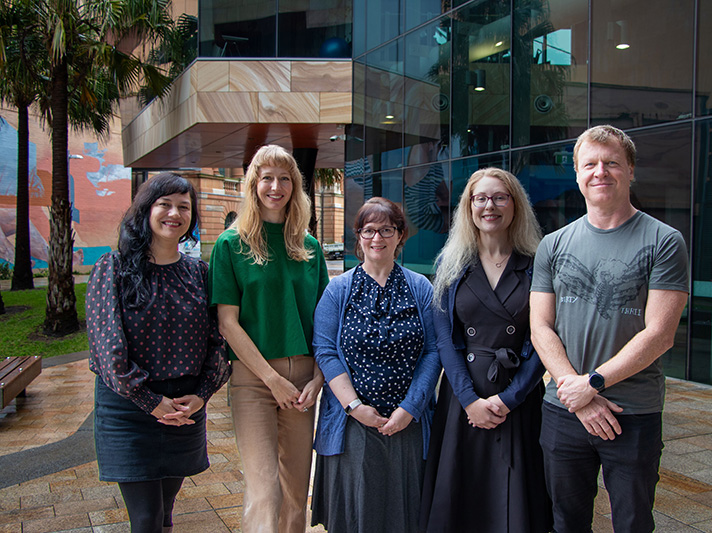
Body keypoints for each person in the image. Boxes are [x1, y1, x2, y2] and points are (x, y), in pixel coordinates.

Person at [530, 125, 690, 532]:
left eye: (612, 163)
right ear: (577, 174)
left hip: (631, 412)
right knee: (565, 522)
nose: (600, 172)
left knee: (633, 522)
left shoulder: (664, 241)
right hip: (564, 410)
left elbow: (660, 334)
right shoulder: (553, 244)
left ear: (630, 171)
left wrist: (593, 383)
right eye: (590, 165)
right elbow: (540, 327)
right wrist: (577, 392)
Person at [86, 172, 230, 533]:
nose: (174, 213)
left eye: (184, 206)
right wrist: (148, 400)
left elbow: (217, 342)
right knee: (146, 517)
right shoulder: (114, 268)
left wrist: (201, 395)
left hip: (184, 409)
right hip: (130, 410)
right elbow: (107, 347)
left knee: (165, 511)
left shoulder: (199, 273)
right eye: (165, 204)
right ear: (146, 210)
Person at [420, 168, 552, 533]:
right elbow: (445, 339)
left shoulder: (536, 263)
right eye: (480, 198)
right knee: (463, 497)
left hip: (518, 397)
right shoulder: (451, 265)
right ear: (469, 207)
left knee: (516, 499)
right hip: (464, 399)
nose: (489, 206)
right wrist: (468, 400)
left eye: (499, 197)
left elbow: (543, 338)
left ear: (515, 205)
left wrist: (510, 398)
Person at [208, 145, 329, 533]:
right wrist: (272, 379)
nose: (276, 187)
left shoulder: (309, 248)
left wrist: (319, 379)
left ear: (295, 186)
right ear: (253, 185)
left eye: (284, 179)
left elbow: (325, 323)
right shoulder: (230, 245)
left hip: (304, 383)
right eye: (267, 178)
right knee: (265, 492)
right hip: (254, 381)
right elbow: (228, 324)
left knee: (296, 492)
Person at [311, 197, 440, 533]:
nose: (377, 238)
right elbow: (325, 350)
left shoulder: (421, 288)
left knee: (406, 511)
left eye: (386, 230)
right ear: (358, 236)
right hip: (353, 420)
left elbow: (433, 350)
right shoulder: (338, 290)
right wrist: (354, 407)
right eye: (369, 230)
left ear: (400, 235)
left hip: (408, 419)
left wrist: (410, 408)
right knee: (357, 512)